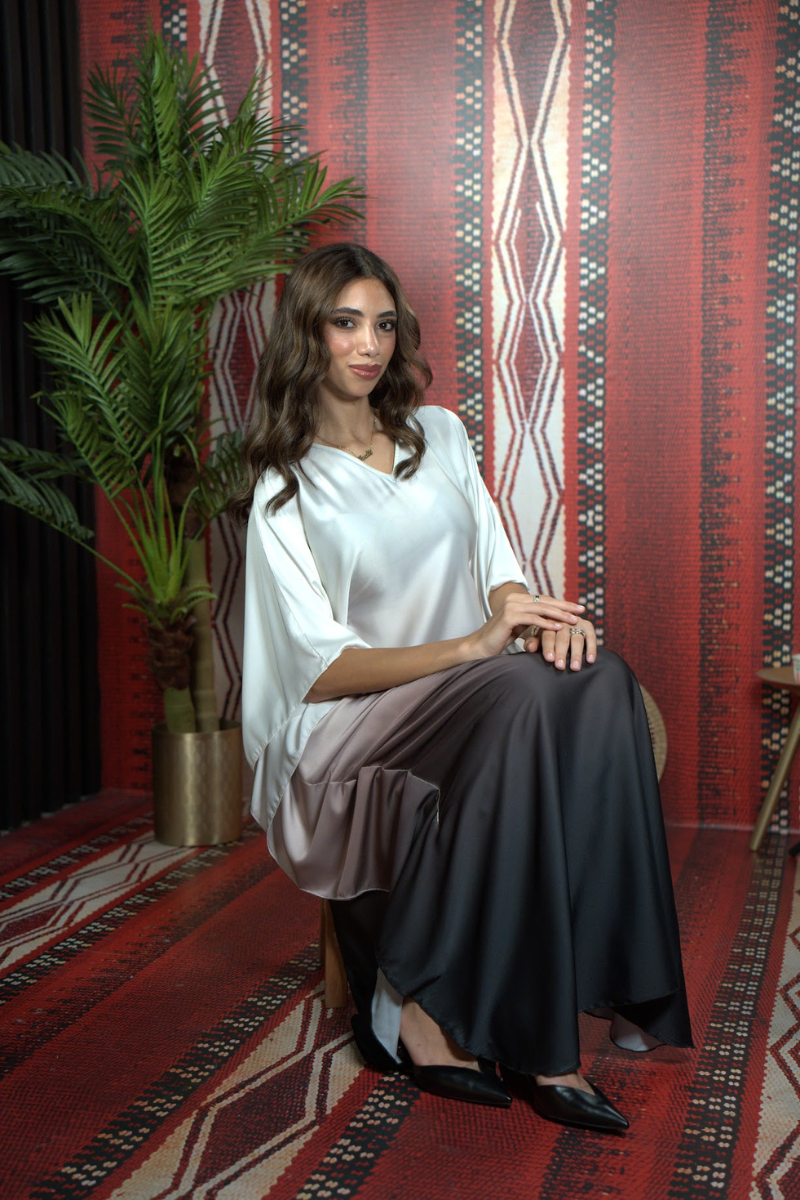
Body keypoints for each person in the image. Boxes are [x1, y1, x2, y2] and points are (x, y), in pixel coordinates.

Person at [231, 243, 692, 1133]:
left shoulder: (437, 434)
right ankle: (537, 1051)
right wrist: (473, 648)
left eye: (383, 323)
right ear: (308, 338)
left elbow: (495, 563)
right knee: (520, 696)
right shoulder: (285, 492)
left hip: (471, 694)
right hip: (339, 733)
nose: (369, 344)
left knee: (600, 678)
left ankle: (557, 999)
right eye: (345, 323)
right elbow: (320, 668)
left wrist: (526, 613)